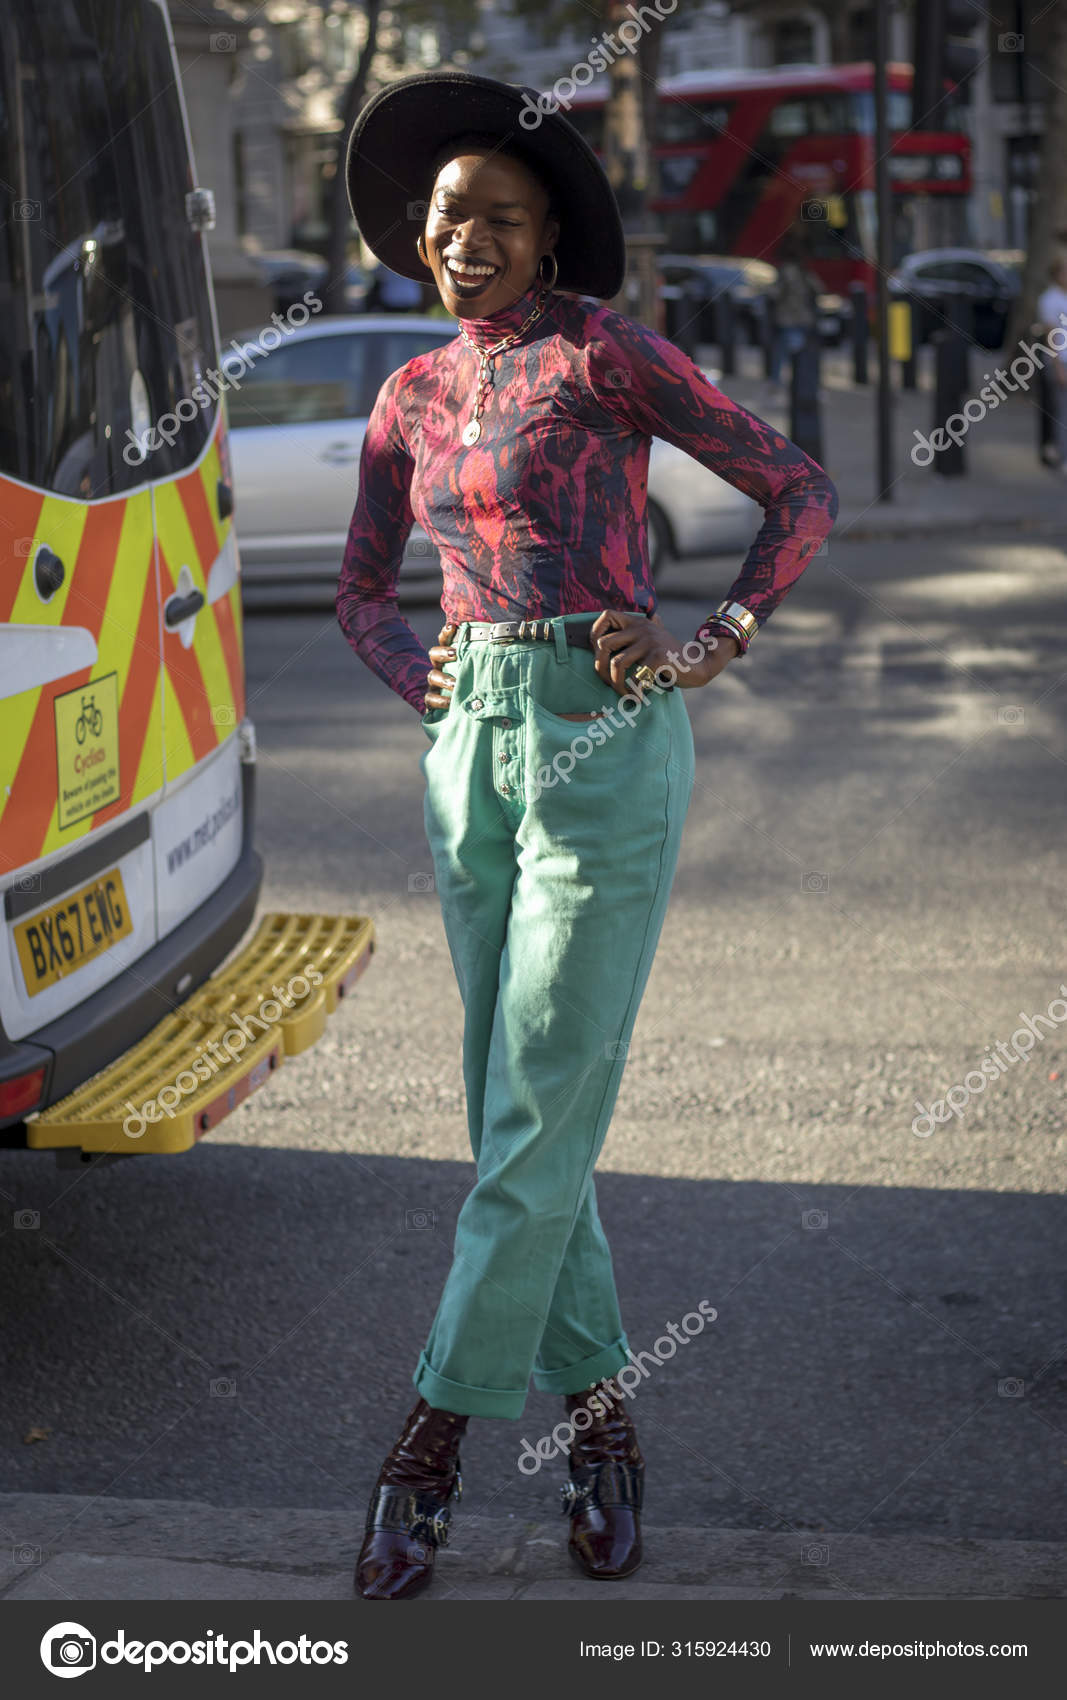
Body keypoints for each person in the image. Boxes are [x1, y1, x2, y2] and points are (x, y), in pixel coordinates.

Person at [337, 69, 838, 1602]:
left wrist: (711, 638)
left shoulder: (604, 353)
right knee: (522, 1110)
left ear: (549, 233)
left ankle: (423, 1445)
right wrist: (404, 666)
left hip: (600, 735)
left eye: (494, 215)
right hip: (467, 750)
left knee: (538, 1091)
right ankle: (603, 1429)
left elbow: (795, 486)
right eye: (444, 220)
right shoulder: (409, 392)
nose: (464, 240)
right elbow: (364, 584)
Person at [767, 234, 821, 388]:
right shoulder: (805, 271)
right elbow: (818, 289)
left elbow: (775, 293)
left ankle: (778, 383)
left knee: (781, 354)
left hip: (787, 318)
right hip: (804, 318)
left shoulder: (786, 272)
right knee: (801, 355)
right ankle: (804, 384)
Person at [1036, 256, 1067, 472]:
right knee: (1062, 413)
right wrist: (1058, 368)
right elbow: (1050, 337)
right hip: (1062, 362)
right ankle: (1063, 457)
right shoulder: (1050, 300)